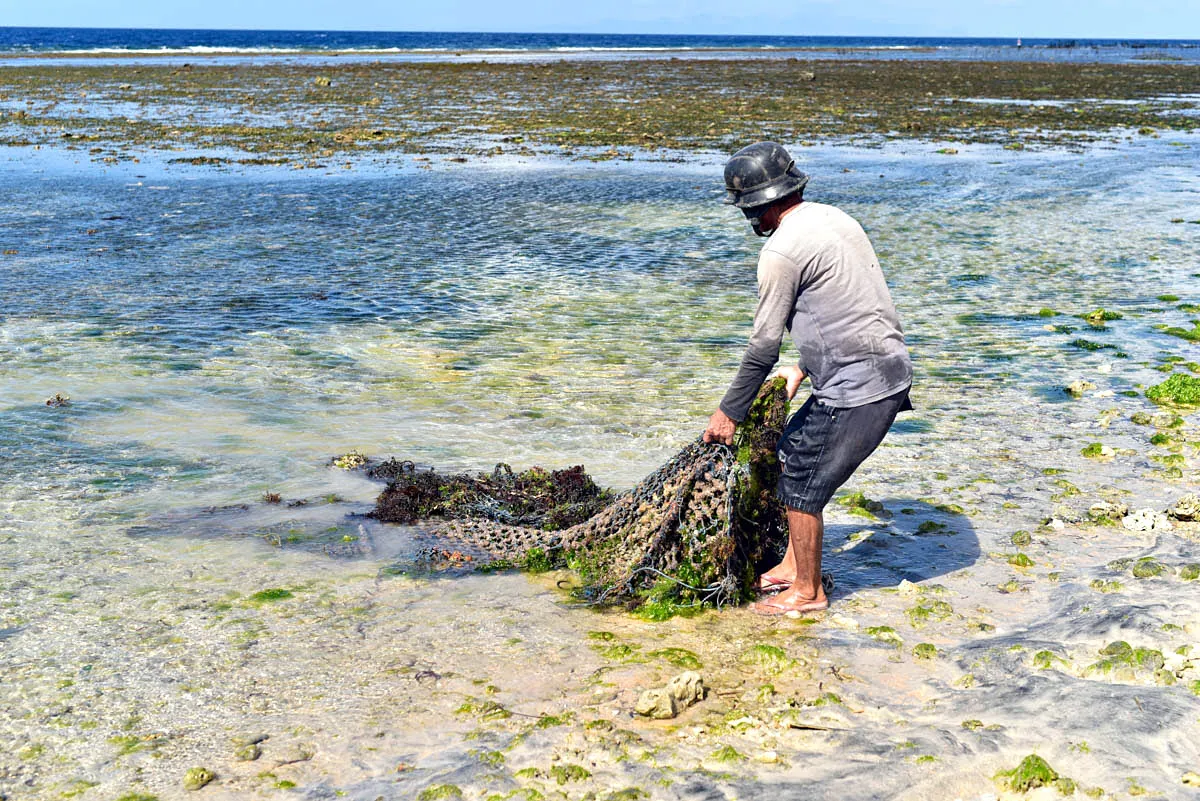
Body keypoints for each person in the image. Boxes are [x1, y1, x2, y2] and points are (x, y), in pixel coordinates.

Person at [702, 141, 912, 616]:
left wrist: (728, 412)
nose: (749, 221)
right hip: (886, 367)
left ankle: (808, 592)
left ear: (759, 205)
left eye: (747, 210)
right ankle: (792, 567)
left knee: (801, 480)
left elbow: (761, 348)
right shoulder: (834, 218)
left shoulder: (780, 253)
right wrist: (802, 368)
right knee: (791, 449)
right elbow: (848, 307)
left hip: (860, 387)